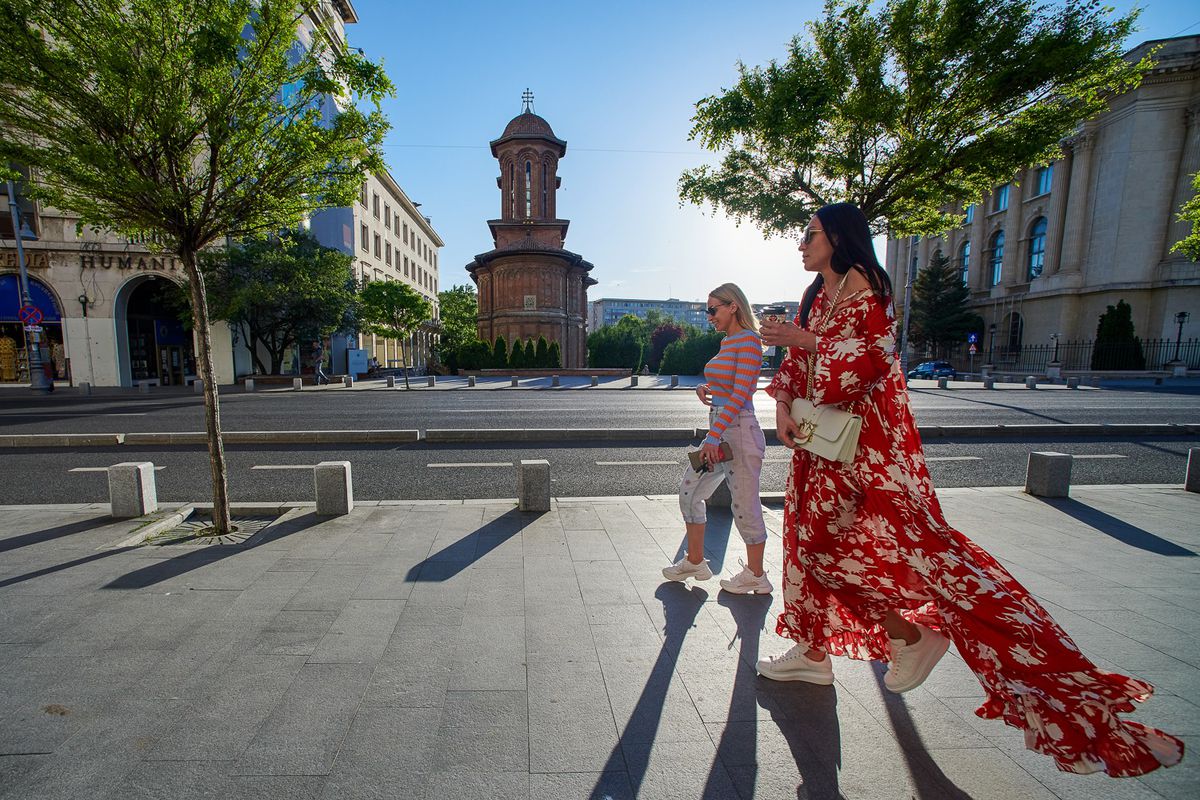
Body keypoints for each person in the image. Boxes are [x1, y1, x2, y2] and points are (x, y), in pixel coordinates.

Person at [756, 202, 1182, 775]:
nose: (801, 244)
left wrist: (803, 341)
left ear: (838, 235)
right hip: (819, 450)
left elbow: (871, 363)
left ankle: (913, 635)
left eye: (808, 234)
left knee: (882, 553)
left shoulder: (868, 289)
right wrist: (783, 402)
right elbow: (795, 370)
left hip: (865, 452)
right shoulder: (814, 296)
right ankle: (813, 652)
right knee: (811, 550)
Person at [662, 283, 771, 595]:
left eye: (713, 309)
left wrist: (712, 435)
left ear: (732, 305)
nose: (709, 315)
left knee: (744, 505)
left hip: (739, 431)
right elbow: (728, 388)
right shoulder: (729, 341)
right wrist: (707, 389)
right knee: (690, 492)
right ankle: (695, 561)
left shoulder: (750, 341)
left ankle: (756, 575)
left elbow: (741, 394)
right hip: (721, 430)